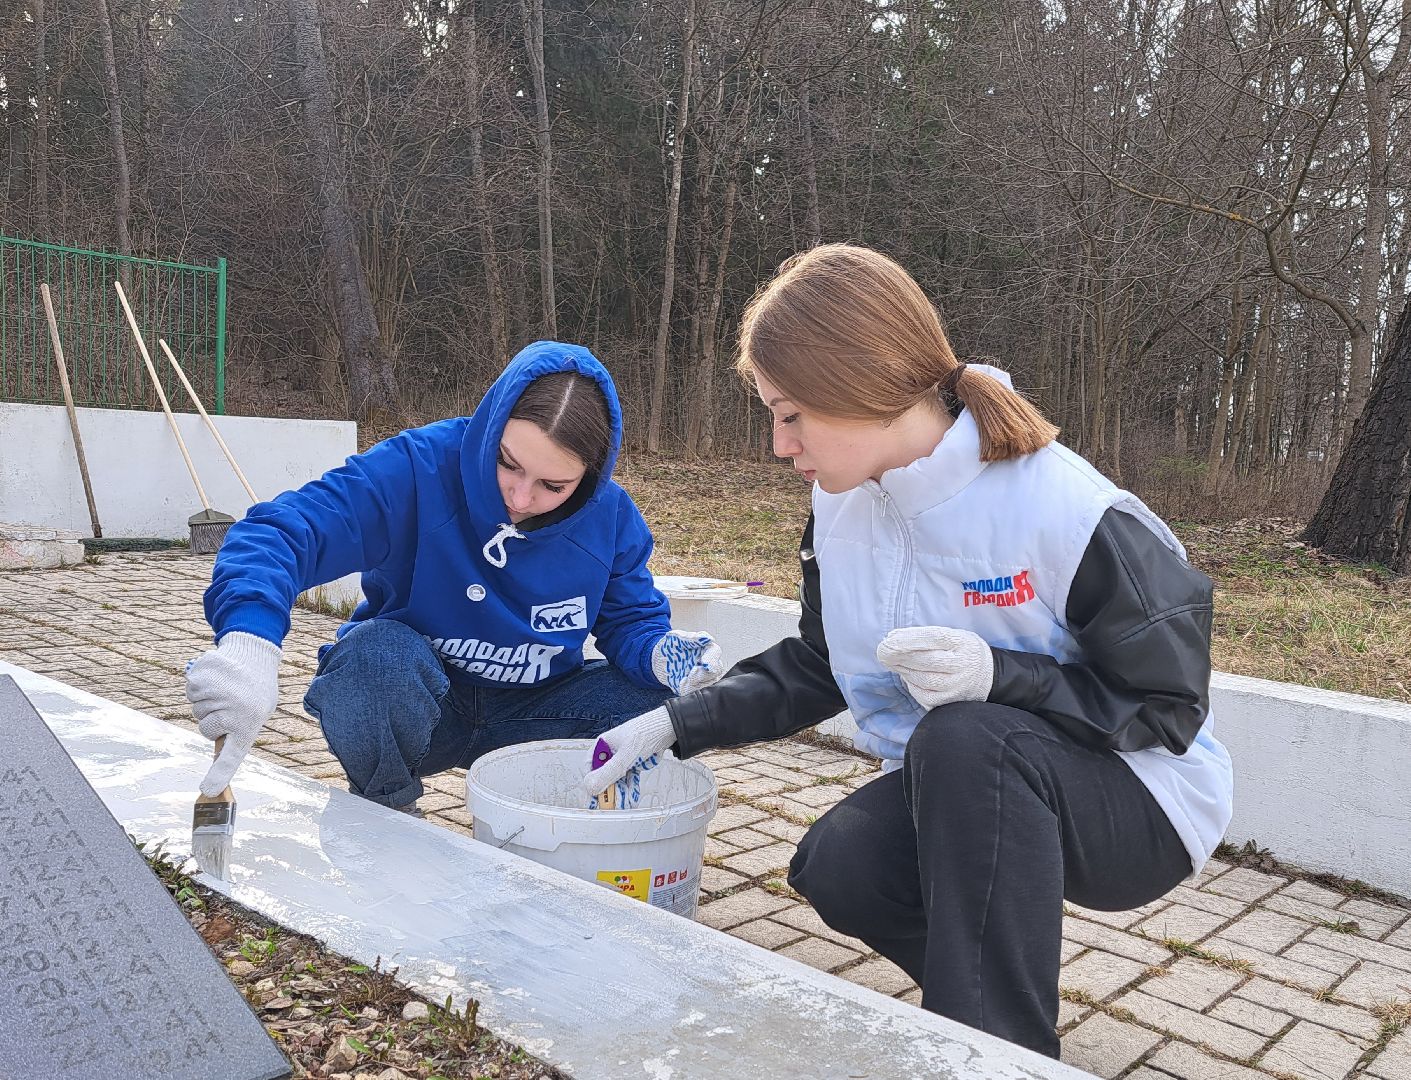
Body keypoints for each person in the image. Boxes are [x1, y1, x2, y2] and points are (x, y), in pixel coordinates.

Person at [581, 245, 1234, 1057]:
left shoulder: (1064, 507)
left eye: (790, 414)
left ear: (857, 385)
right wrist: (675, 724)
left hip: (1140, 804)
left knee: (963, 733)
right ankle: (992, 1007)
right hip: (968, 783)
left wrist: (1003, 675)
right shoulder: (840, 506)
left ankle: (991, 1049)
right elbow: (823, 664)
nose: (781, 445)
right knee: (840, 864)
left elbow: (1168, 707)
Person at [186, 341, 723, 810]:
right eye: (507, 463)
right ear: (490, 428)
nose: (519, 498)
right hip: (422, 702)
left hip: (533, 711)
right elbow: (282, 532)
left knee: (662, 709)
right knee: (370, 658)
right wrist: (250, 642)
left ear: (589, 476)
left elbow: (630, 621)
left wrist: (659, 653)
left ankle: (569, 816)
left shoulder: (610, 518)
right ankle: (387, 809)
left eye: (551, 486)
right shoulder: (417, 468)